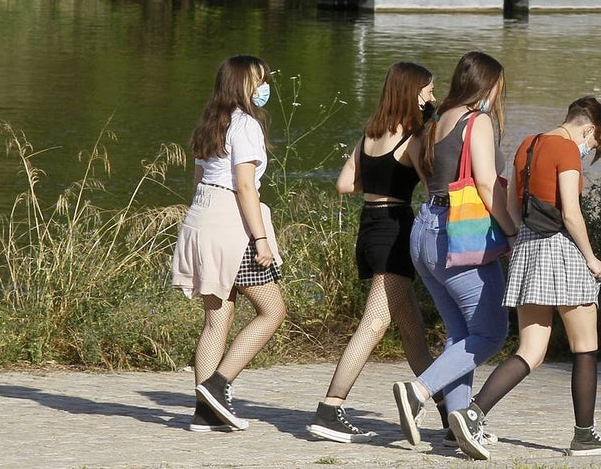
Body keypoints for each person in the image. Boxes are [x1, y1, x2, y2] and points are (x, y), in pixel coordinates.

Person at [448, 96, 601, 459]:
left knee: (530, 351)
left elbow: (512, 205)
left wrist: (518, 242)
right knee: (585, 346)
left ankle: (471, 413)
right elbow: (571, 214)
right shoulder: (567, 150)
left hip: (527, 250)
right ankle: (584, 436)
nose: (588, 151)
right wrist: (591, 258)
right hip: (561, 250)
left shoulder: (527, 145)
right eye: (593, 145)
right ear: (589, 129)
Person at [306, 62, 446, 443]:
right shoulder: (413, 139)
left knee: (412, 331)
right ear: (413, 94)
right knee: (372, 326)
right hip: (394, 230)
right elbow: (433, 188)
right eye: (429, 92)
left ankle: (449, 412)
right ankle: (330, 407)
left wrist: (379, 179)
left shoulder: (369, 136)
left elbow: (343, 184)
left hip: (368, 228)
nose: (433, 98)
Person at [392, 51, 517, 449]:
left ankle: (457, 426)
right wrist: (511, 232)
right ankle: (419, 391)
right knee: (491, 333)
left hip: (425, 230)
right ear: (488, 84)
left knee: (461, 334)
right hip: (460, 235)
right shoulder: (475, 121)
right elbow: (486, 184)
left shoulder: (436, 119)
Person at [172, 55, 287, 432]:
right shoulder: (246, 125)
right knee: (273, 310)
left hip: (201, 218)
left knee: (216, 320)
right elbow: (245, 186)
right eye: (260, 80)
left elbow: (198, 179)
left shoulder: (210, 123)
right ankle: (217, 386)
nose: (265, 87)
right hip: (232, 222)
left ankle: (205, 414)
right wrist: (261, 238)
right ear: (243, 84)